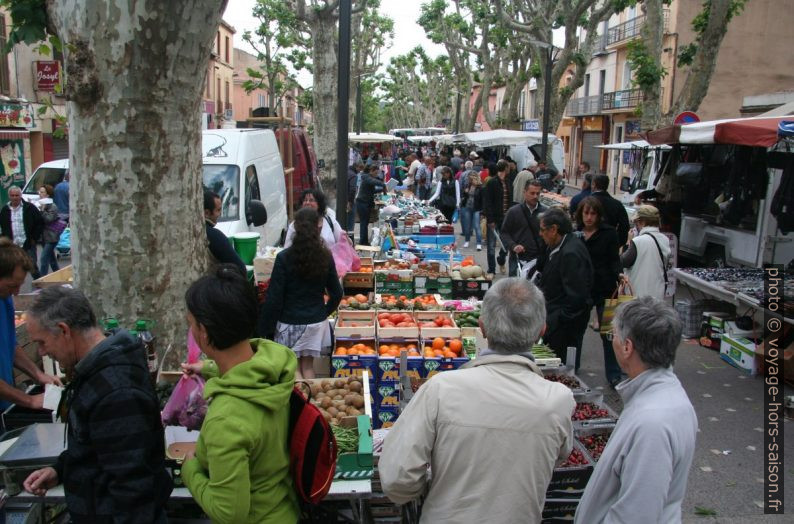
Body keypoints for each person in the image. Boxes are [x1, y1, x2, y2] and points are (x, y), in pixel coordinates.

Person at [380, 278, 574, 523]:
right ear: (541, 332)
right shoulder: (558, 401)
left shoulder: (441, 389)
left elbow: (397, 479)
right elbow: (559, 456)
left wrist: (430, 487)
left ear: (482, 327)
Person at [23, 286, 172, 522]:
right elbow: (96, 448)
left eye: (42, 343)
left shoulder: (115, 393)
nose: (43, 352)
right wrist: (60, 469)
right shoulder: (95, 371)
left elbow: (133, 491)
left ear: (64, 330)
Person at [179, 266, 299, 523]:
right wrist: (209, 367)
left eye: (191, 325)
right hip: (284, 510)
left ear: (205, 333)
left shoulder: (227, 420)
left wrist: (189, 469)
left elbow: (229, 512)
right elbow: (243, 369)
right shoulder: (274, 367)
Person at [575, 297, 697, 523]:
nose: (612, 341)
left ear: (627, 347)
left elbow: (636, 514)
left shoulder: (652, 424)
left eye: (613, 336)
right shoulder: (663, 398)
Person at [259, 208, 342, 379]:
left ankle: (301, 403)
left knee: (294, 368)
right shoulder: (325, 256)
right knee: (308, 366)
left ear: (295, 228)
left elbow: (274, 298)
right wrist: (323, 312)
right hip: (316, 321)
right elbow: (337, 292)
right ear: (318, 228)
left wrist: (266, 327)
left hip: (289, 321)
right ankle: (311, 401)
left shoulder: (283, 258)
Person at [0, 239, 62, 410]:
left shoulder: (4, 299)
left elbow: (10, 345)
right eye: (12, 285)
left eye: (19, 285)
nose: (16, 292)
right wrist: (29, 401)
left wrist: (38, 374)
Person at [537, 207, 593, 370]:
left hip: (565, 326)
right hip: (559, 318)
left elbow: (576, 298)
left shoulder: (570, 253)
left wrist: (555, 321)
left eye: (542, 230)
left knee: (562, 367)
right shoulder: (559, 246)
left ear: (554, 229)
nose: (540, 234)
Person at [575, 197, 622, 386]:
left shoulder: (609, 233)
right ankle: (574, 366)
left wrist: (619, 274)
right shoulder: (575, 233)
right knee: (576, 330)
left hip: (606, 288)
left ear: (599, 215)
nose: (589, 217)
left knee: (608, 333)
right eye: (586, 213)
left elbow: (614, 259)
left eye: (593, 213)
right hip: (581, 288)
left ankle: (614, 373)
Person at [621, 204, 670, 299]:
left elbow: (623, 261)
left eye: (637, 222)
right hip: (657, 294)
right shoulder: (665, 239)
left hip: (638, 295)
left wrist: (628, 242)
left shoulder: (638, 241)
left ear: (642, 222)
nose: (636, 225)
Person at [501, 180, 546, 277]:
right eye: (532, 193)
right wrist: (513, 246)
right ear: (524, 193)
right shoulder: (513, 212)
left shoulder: (545, 213)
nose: (535, 196)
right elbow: (504, 233)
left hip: (538, 259)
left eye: (538, 193)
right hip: (517, 258)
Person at [0, 186, 44, 279]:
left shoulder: (29, 207)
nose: (15, 197)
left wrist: (33, 238)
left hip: (27, 244)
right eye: (12, 195)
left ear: (20, 195)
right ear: (9, 196)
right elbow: (2, 227)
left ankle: (40, 287)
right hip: (12, 245)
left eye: (17, 195)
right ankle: (12, 291)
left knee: (33, 268)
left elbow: (40, 223)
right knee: (11, 270)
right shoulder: (5, 210)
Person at [204, 190, 246, 275]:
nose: (220, 214)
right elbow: (240, 268)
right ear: (207, 213)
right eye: (218, 210)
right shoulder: (214, 236)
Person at [482, 160, 511, 276]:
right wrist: (490, 219)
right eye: (508, 168)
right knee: (491, 246)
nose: (510, 170)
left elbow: (510, 200)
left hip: (506, 218)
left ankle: (501, 259)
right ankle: (492, 269)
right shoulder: (492, 182)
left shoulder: (508, 182)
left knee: (506, 244)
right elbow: (487, 202)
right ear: (505, 169)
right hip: (494, 219)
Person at [591, 174, 630, 248]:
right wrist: (617, 243)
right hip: (609, 245)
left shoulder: (586, 202)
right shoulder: (617, 204)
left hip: (590, 244)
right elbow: (624, 226)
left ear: (594, 185)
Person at [354, 165, 386, 246]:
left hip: (365, 203)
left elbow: (372, 190)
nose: (377, 174)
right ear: (371, 170)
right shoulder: (366, 177)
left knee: (365, 223)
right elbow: (374, 182)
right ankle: (363, 242)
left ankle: (364, 241)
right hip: (362, 203)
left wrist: (382, 189)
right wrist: (383, 184)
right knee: (364, 223)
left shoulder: (368, 178)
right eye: (376, 172)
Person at [36, 185, 61, 276]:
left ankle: (42, 280)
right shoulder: (40, 204)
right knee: (52, 260)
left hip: (51, 236)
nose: (40, 194)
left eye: (42, 192)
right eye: (40, 192)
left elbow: (49, 219)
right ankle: (59, 276)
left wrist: (42, 211)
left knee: (44, 258)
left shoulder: (52, 206)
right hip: (43, 236)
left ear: (48, 195)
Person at [459, 171, 483, 250]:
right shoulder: (468, 186)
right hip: (467, 207)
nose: (469, 180)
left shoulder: (480, 187)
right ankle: (467, 240)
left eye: (470, 179)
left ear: (474, 178)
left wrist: (482, 211)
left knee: (476, 226)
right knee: (467, 225)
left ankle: (479, 243)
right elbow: (464, 197)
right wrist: (465, 193)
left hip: (477, 208)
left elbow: (482, 200)